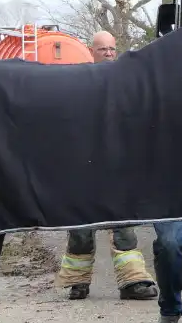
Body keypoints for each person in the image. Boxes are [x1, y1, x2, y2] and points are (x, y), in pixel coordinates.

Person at [54, 31, 158, 302]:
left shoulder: (126, 83)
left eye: (112, 48)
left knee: (123, 226)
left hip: (117, 166)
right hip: (83, 167)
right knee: (80, 228)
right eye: (103, 49)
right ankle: (77, 282)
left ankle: (133, 282)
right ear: (92, 50)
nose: (109, 53)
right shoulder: (80, 83)